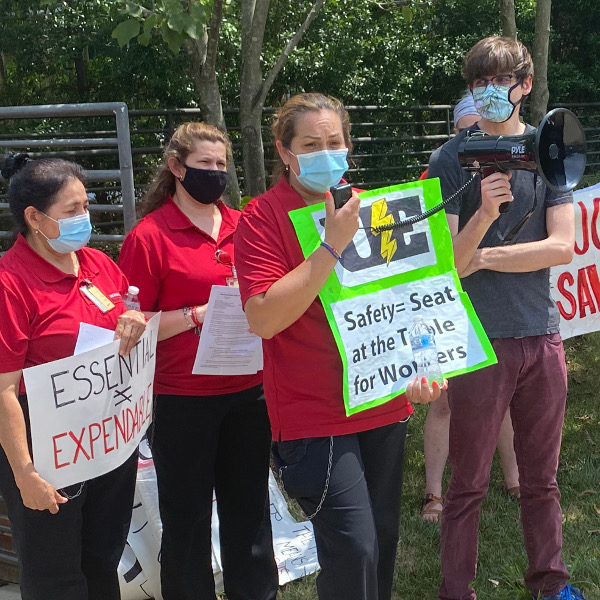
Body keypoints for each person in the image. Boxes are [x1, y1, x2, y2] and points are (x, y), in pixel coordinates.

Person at [234, 92, 442, 600]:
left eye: (334, 141)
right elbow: (263, 318)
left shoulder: (367, 204)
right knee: (354, 549)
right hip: (314, 417)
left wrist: (424, 363)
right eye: (310, 143)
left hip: (382, 402)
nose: (325, 152)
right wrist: (330, 245)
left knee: (383, 544)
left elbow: (407, 298)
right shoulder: (260, 218)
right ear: (284, 152)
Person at [427, 36, 586, 600]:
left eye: (499, 81)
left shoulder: (551, 150)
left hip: (541, 336)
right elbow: (448, 263)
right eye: (478, 84)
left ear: (524, 82)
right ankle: (456, 591)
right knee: (467, 483)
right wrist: (485, 214)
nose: (489, 92)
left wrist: (486, 255)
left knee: (542, 479)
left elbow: (562, 247)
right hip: (476, 341)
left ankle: (552, 583)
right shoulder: (448, 159)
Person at [118, 122, 278, 600]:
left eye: (221, 165)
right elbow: (131, 325)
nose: (215, 173)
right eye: (204, 164)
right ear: (176, 167)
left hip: (250, 390)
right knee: (186, 518)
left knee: (249, 509)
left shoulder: (244, 224)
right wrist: (195, 315)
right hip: (181, 398)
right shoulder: (149, 237)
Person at [0, 155, 147, 600]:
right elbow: (3, 389)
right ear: (34, 217)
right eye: (72, 210)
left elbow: (125, 311)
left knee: (103, 561)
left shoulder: (98, 264)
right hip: (43, 445)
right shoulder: (10, 282)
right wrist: (25, 474)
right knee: (55, 576)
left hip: (104, 439)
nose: (85, 218)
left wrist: (133, 320)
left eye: (86, 206)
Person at [421, 92, 520, 523]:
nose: (478, 140)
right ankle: (433, 495)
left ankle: (515, 478)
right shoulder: (443, 167)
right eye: (469, 131)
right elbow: (440, 249)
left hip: (492, 302)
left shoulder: (507, 168)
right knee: (442, 401)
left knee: (501, 397)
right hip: (443, 300)